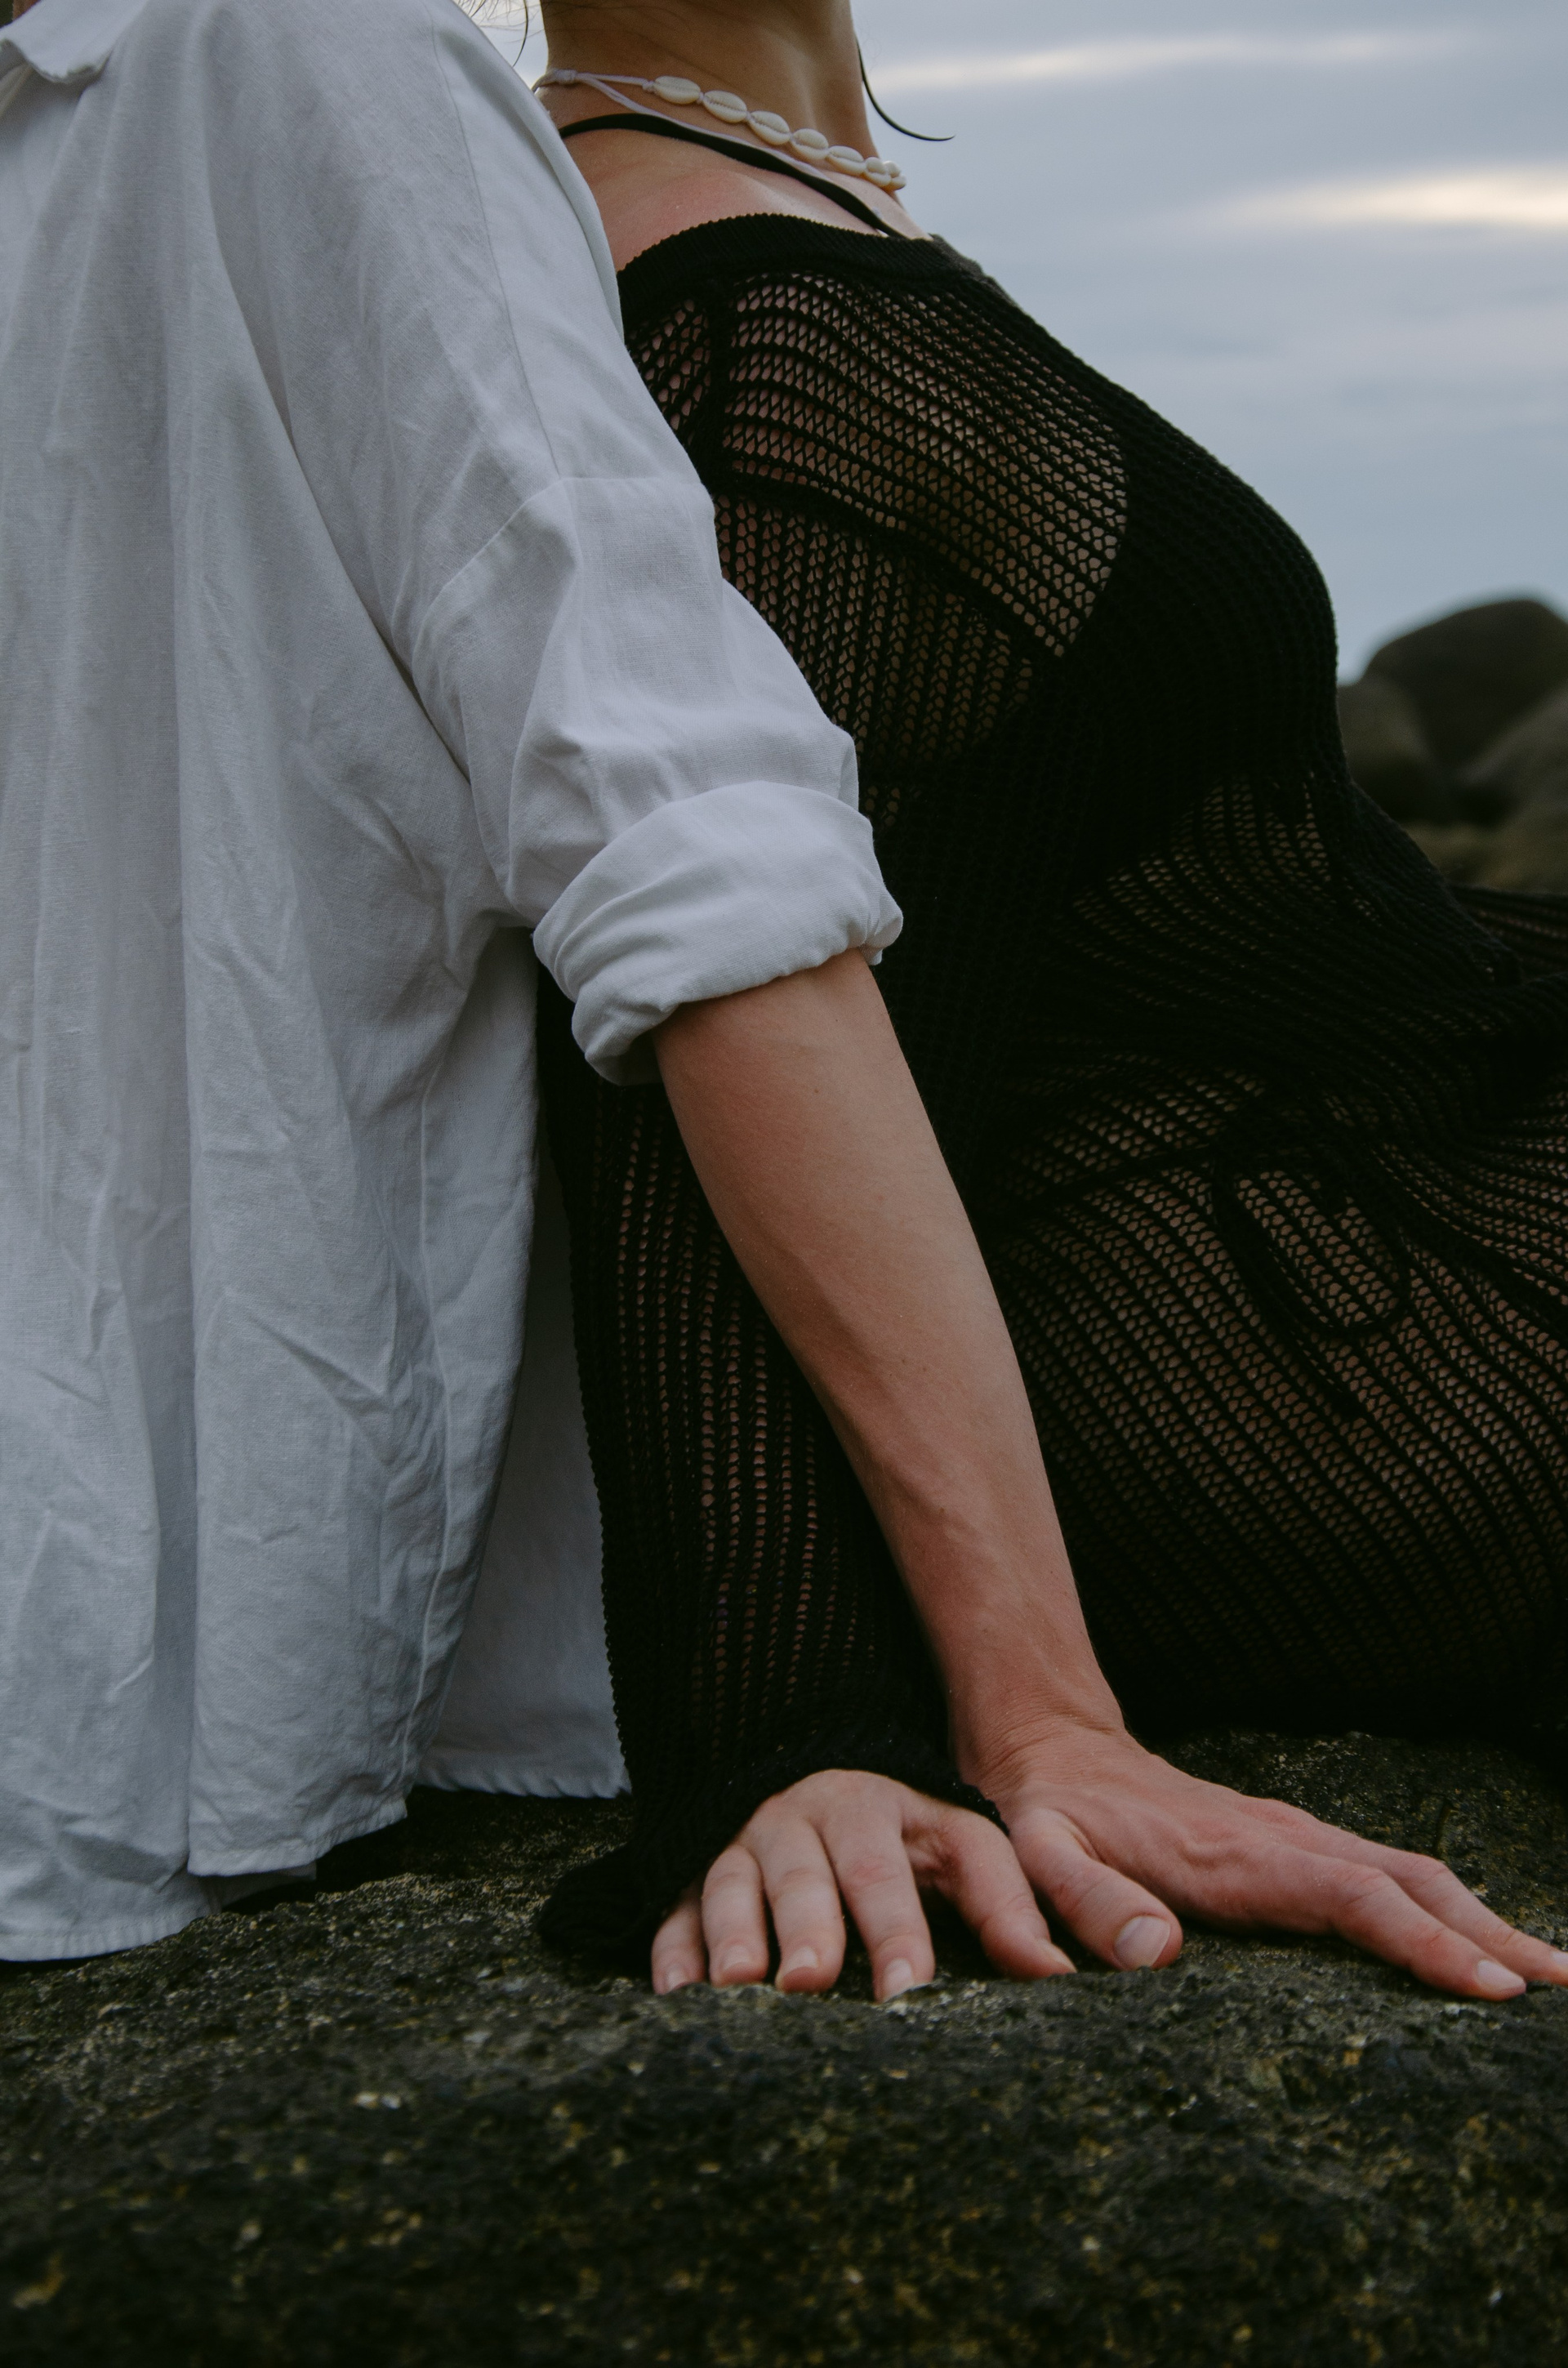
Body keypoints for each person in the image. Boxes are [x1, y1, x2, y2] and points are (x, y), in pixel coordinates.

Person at [514, 0, 1568, 2004]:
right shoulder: (751, 329)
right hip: (1311, 1355)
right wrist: (795, 1717)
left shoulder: (783, 215)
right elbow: (711, 969)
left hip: (1346, 1222)